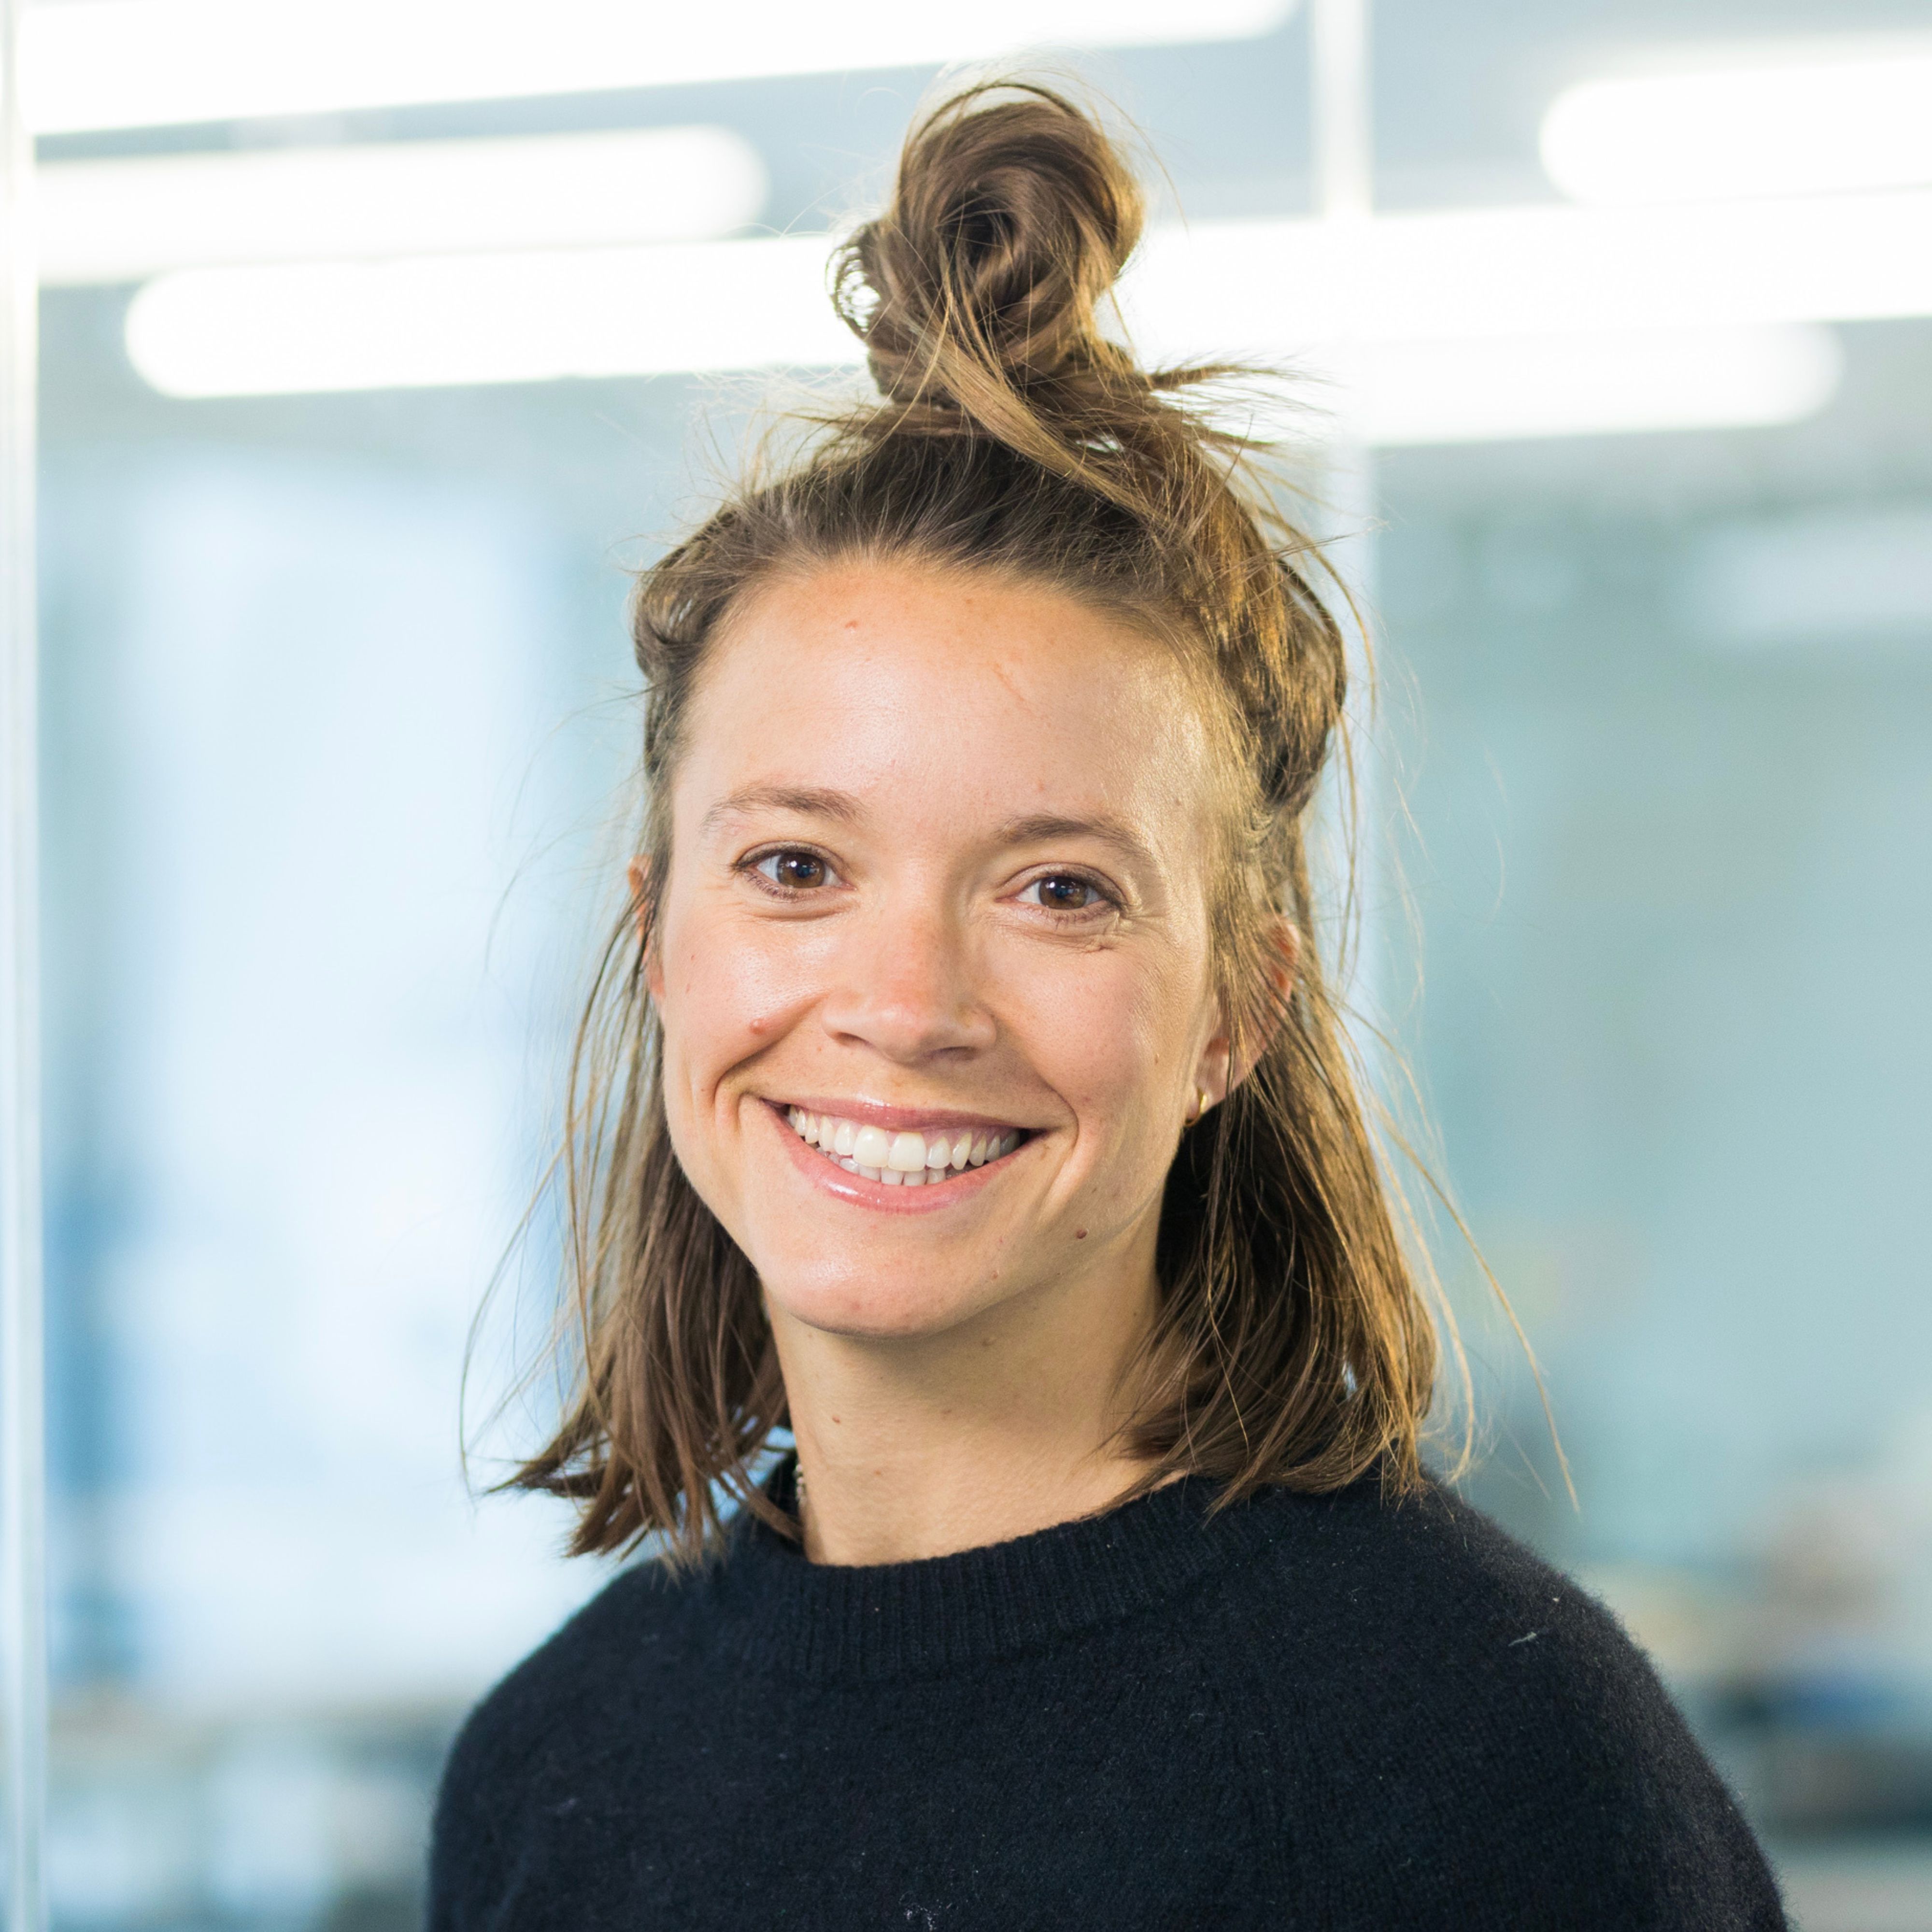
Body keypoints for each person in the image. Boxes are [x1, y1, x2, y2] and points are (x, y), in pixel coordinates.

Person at [428, 81, 1786, 1931]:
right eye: (799, 869)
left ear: (1235, 1010)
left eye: (1059, 890)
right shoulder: (550, 1771)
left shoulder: (1483, 1765)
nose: (904, 1005)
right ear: (662, 934)